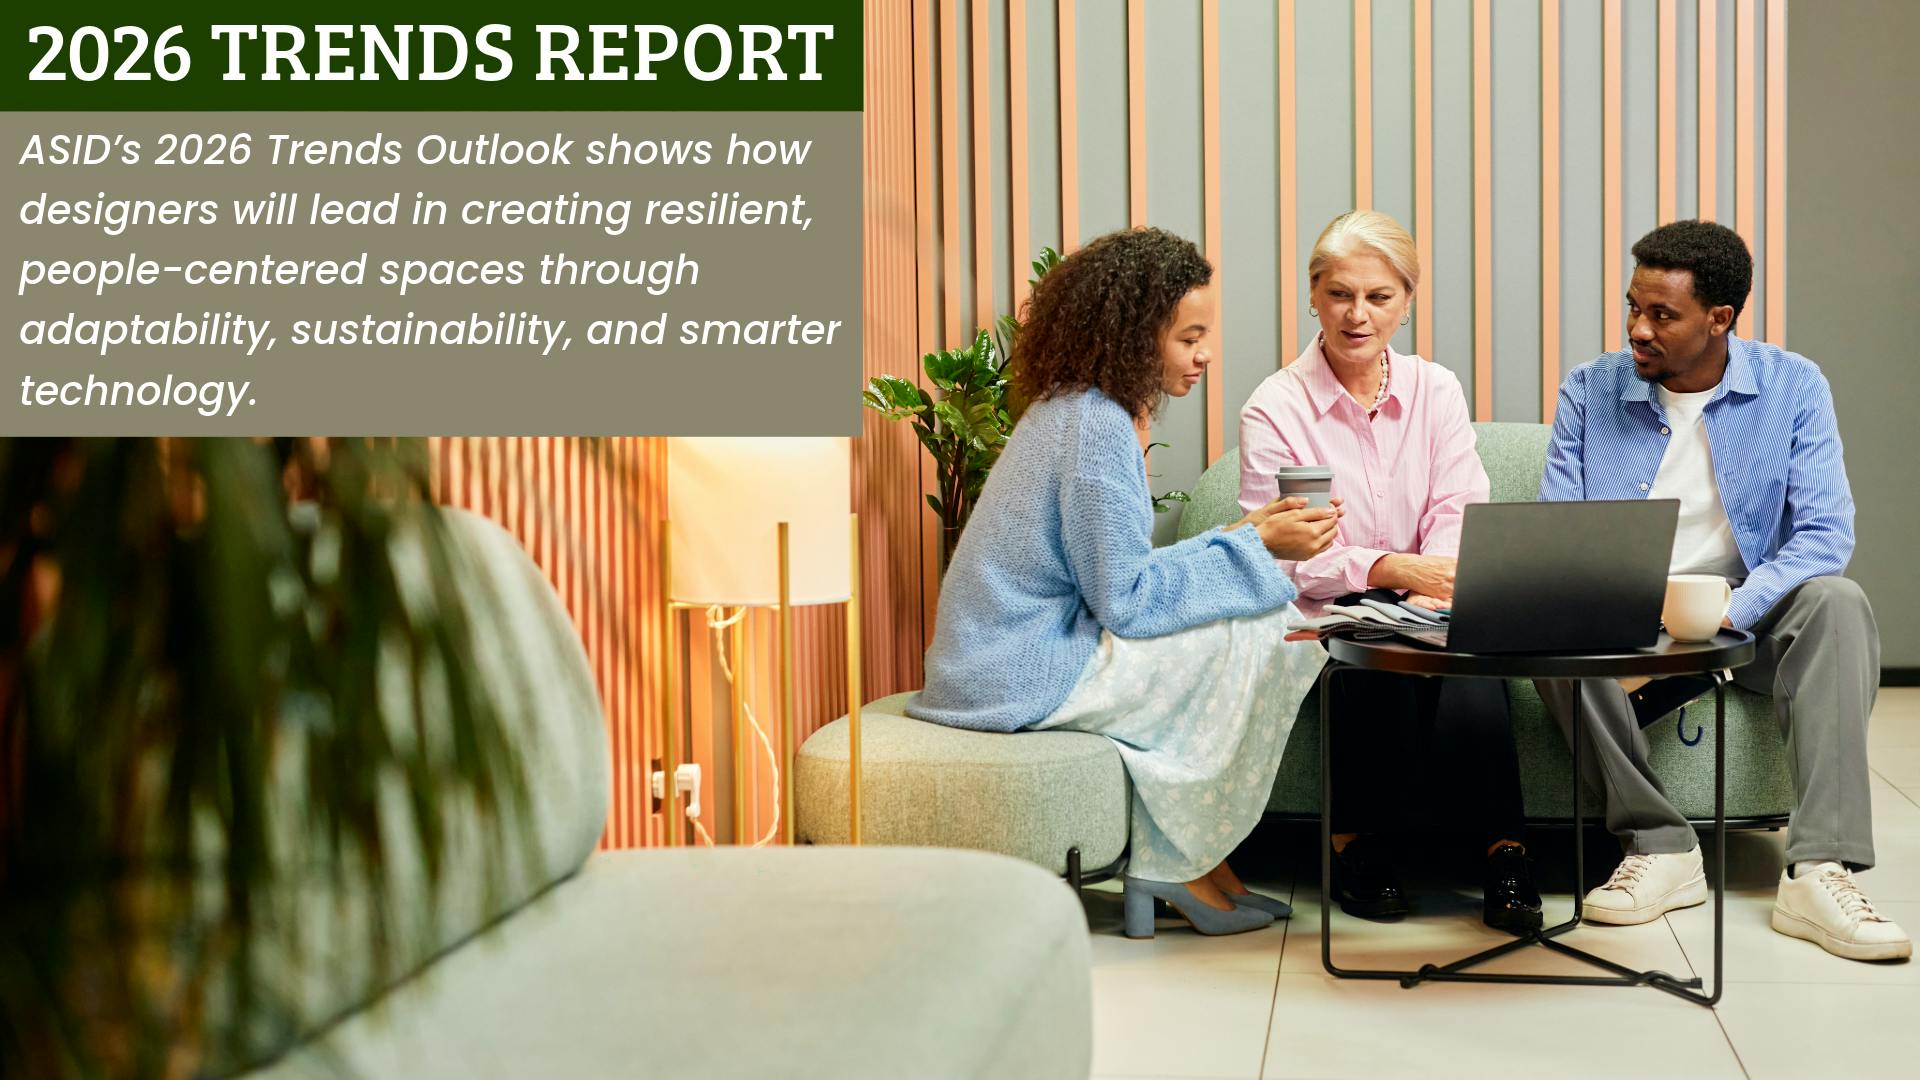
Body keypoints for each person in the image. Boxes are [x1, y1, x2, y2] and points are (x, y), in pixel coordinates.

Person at [909, 227, 1337, 939]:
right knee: (1272, 629)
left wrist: (1246, 536)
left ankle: (1201, 855)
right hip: (1020, 671)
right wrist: (1256, 545)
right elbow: (1128, 601)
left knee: (1268, 622)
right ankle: (1180, 861)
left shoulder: (1072, 408)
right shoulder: (1097, 426)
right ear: (1135, 336)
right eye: (1187, 337)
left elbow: (1114, 573)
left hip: (997, 660)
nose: (1203, 355)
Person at [1534, 219, 1909, 961]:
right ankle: (1661, 845)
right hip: (1629, 619)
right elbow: (1562, 536)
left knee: (1838, 600)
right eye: (1632, 307)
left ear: (1721, 318)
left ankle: (1818, 871)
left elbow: (1825, 534)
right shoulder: (1589, 390)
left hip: (1750, 617)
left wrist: (1730, 611)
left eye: (1662, 315)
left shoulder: (1792, 386)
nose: (1638, 329)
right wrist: (1634, 615)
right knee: (1541, 628)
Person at [1238, 210, 1542, 933]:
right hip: (1325, 605)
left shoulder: (1436, 389)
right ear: (1313, 295)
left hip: (1431, 597)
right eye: (1340, 293)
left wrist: (1420, 585)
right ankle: (1361, 848)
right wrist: (1384, 571)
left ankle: (1505, 854)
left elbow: (1460, 503)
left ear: (1406, 301)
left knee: (1465, 649)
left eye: (1379, 296)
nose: (1357, 314)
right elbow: (1284, 548)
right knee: (1364, 645)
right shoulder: (1275, 406)